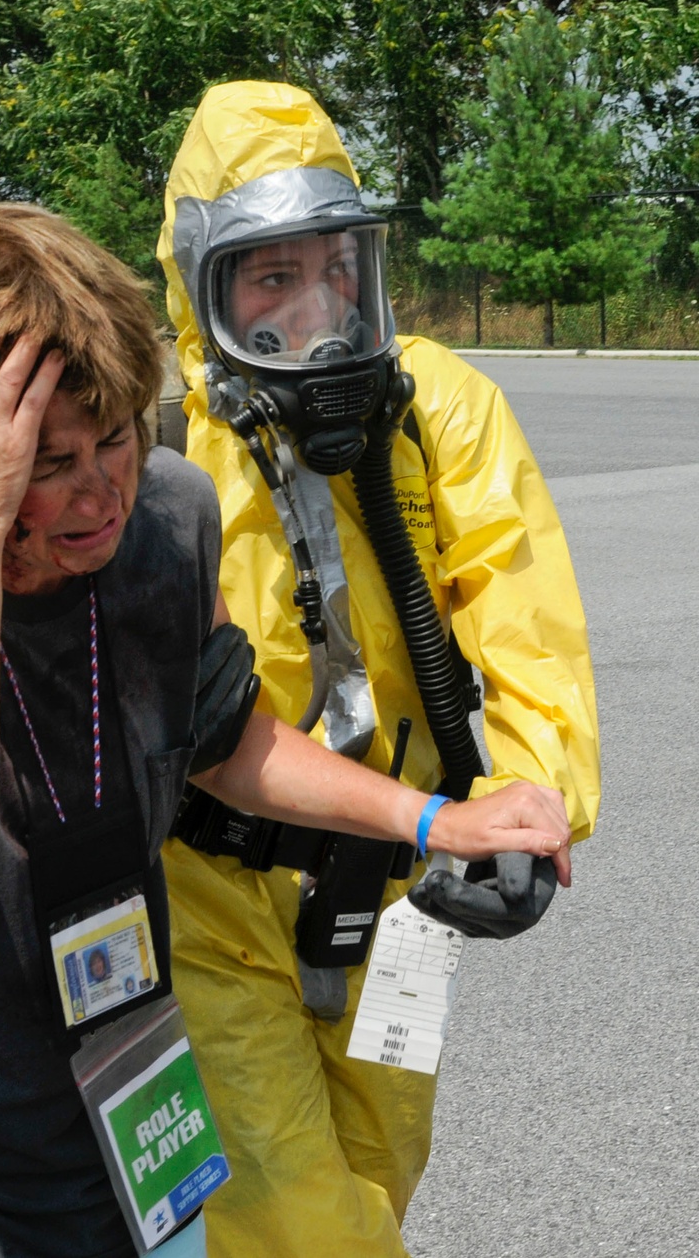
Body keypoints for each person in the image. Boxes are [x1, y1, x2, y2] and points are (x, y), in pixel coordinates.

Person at [0, 201, 571, 1258]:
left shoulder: (167, 517)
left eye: (117, 437)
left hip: (108, 1098)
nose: (99, 493)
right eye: (44, 461)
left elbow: (224, 741)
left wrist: (435, 820)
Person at [157, 81, 601, 1258]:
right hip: (209, 904)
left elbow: (522, 617)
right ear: (201, 285)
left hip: (398, 892)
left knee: (376, 1182)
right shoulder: (159, 445)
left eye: (336, 268)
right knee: (293, 1224)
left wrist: (534, 803)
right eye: (270, 278)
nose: (315, 310)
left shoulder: (438, 407)